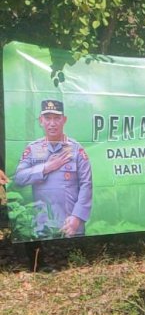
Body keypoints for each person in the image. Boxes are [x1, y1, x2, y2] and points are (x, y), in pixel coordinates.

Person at [14, 100, 93, 239]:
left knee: (75, 259)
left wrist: (77, 217)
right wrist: (45, 168)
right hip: (42, 227)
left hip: (71, 226)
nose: (52, 123)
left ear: (64, 120)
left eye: (57, 118)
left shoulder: (76, 149)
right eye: (48, 118)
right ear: (41, 120)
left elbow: (86, 185)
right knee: (43, 260)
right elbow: (18, 179)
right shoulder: (33, 149)